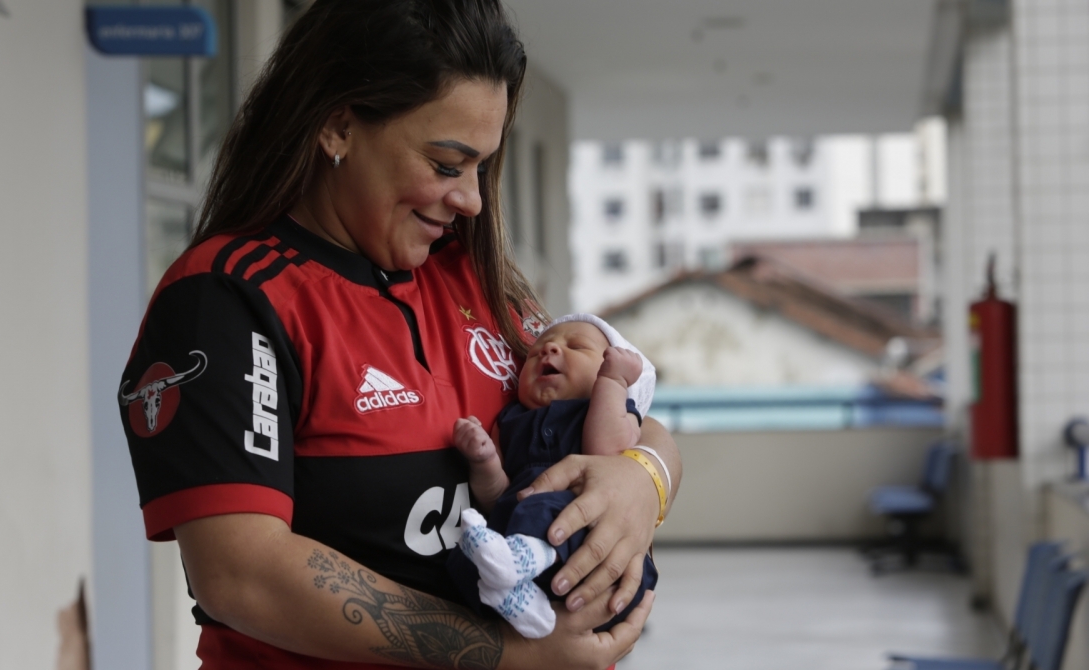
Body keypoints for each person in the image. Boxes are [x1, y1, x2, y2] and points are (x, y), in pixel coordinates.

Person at [116, 1, 681, 668]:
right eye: (447, 163)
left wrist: (644, 481)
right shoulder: (229, 298)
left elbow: (627, 404)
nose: (471, 197)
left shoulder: (478, 279)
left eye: (482, 167)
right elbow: (244, 574)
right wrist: (504, 655)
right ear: (337, 125)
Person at [448, 315, 663, 639]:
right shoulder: (510, 419)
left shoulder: (616, 410)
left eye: (576, 346)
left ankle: (526, 561)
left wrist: (613, 384)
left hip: (587, 547)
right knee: (461, 564)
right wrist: (485, 460)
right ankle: (526, 605)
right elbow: (497, 494)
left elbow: (606, 451)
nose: (548, 348)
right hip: (515, 534)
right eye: (534, 353)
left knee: (547, 510)